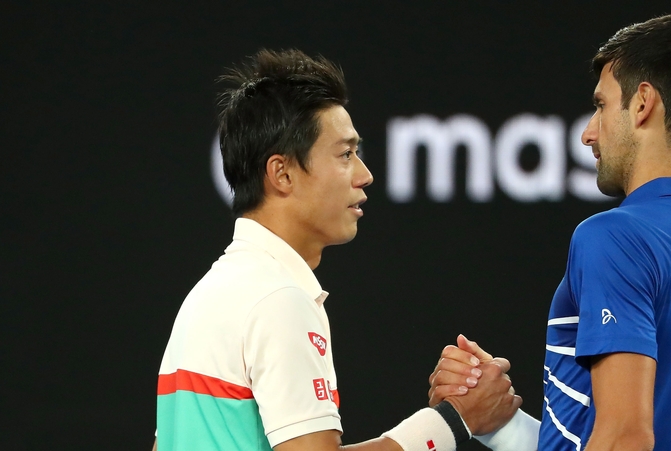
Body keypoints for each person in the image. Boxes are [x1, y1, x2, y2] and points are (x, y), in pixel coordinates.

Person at [153, 49, 521, 451]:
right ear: (283, 173)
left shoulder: (208, 295)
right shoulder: (279, 299)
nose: (365, 175)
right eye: (346, 154)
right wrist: (455, 420)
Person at [429, 14, 671, 451]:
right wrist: (499, 425)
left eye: (601, 105)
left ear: (643, 103)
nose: (588, 133)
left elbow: (625, 438)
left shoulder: (615, 236)